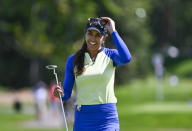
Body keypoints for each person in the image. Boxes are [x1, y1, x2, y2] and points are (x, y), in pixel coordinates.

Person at [54, 17, 132, 131]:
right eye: (90, 33)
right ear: (85, 34)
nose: (93, 38)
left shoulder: (111, 55)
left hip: (107, 118)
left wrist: (113, 31)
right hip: (83, 119)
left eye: (97, 35)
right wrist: (59, 94)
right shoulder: (73, 60)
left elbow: (126, 58)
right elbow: (66, 94)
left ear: (104, 37)